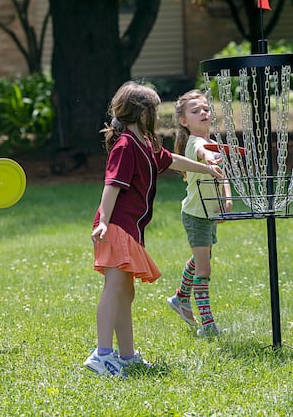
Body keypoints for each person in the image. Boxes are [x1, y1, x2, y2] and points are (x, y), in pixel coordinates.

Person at [83, 82, 225, 378]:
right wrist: (105, 221)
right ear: (143, 112)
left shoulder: (145, 142)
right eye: (155, 110)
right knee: (114, 289)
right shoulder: (125, 146)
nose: (158, 116)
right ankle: (102, 355)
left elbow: (170, 160)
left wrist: (207, 166)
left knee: (126, 292)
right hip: (116, 226)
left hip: (129, 229)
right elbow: (111, 185)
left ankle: (127, 355)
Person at [166, 90, 232, 337]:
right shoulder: (197, 143)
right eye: (195, 111)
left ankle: (180, 298)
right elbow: (205, 154)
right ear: (184, 121)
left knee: (200, 259)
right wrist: (209, 157)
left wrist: (227, 197)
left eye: (205, 109)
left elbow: (220, 171)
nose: (203, 113)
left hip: (207, 213)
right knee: (204, 269)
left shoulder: (210, 140)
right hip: (196, 216)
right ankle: (208, 325)